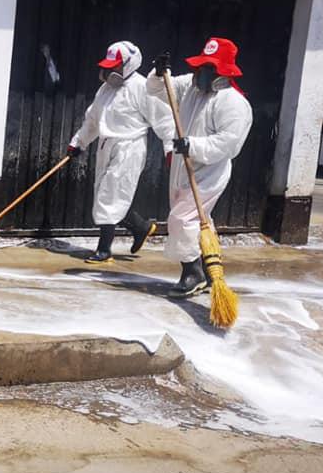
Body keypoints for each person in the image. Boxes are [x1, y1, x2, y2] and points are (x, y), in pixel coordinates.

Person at [146, 37, 253, 298]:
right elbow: (161, 89)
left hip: (209, 172)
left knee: (183, 220)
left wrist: (192, 145)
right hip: (184, 167)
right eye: (202, 66)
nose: (203, 73)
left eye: (210, 68)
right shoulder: (192, 88)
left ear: (224, 71)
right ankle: (208, 270)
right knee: (197, 221)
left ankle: (191, 273)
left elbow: (229, 144)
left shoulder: (234, 103)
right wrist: (159, 74)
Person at [67, 41, 175, 264]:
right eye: (108, 67)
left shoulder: (141, 88)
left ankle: (104, 250)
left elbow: (163, 120)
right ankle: (141, 227)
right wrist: (79, 142)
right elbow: (94, 119)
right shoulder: (106, 89)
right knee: (104, 195)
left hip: (129, 147)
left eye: (114, 67)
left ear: (128, 64)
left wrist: (169, 148)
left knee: (111, 194)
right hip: (107, 145)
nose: (110, 72)